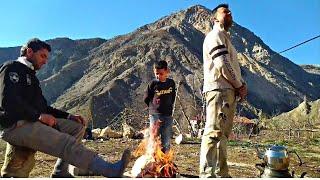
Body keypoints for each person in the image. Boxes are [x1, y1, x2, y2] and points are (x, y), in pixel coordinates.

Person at [0, 38, 130, 178]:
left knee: (77, 127)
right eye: (42, 56)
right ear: (29, 52)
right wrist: (38, 116)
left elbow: (43, 107)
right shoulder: (11, 68)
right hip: (16, 125)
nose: (45, 61)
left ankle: (60, 172)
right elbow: (8, 101)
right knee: (65, 142)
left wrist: (69, 116)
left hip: (32, 120)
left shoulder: (31, 76)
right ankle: (110, 170)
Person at [199, 4, 248, 178]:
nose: (229, 14)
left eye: (230, 12)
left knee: (223, 136)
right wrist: (239, 85)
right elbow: (223, 65)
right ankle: (207, 175)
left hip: (227, 91)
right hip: (219, 90)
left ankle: (221, 174)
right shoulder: (215, 35)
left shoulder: (225, 37)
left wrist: (238, 85)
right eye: (224, 12)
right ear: (215, 18)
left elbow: (227, 65)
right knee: (213, 133)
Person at [143, 60, 176, 153]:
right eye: (156, 74)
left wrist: (169, 107)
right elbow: (146, 98)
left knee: (166, 140)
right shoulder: (153, 84)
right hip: (155, 114)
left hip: (168, 115)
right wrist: (153, 108)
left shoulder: (171, 83)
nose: (159, 76)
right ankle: (152, 159)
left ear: (167, 71)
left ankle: (165, 161)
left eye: (161, 73)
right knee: (154, 138)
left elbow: (173, 97)